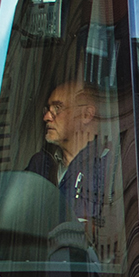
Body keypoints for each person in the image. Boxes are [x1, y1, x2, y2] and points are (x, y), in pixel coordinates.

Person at [28, 79, 110, 226]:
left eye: (57, 108)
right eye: (47, 110)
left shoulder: (108, 165)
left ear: (86, 115)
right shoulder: (39, 165)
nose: (47, 117)